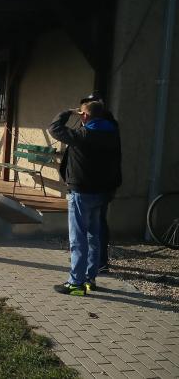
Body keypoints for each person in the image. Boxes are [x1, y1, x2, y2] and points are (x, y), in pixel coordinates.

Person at [48, 100, 122, 296]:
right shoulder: (113, 133)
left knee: (78, 238)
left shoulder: (83, 134)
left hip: (81, 193)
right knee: (94, 237)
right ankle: (90, 279)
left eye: (82, 114)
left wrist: (67, 111)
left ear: (85, 116)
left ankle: (76, 283)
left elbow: (54, 128)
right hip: (102, 192)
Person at [79, 93, 119, 274]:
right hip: (98, 182)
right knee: (93, 226)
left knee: (96, 226)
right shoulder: (100, 125)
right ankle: (93, 261)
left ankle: (99, 262)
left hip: (97, 184)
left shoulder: (102, 127)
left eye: (85, 108)